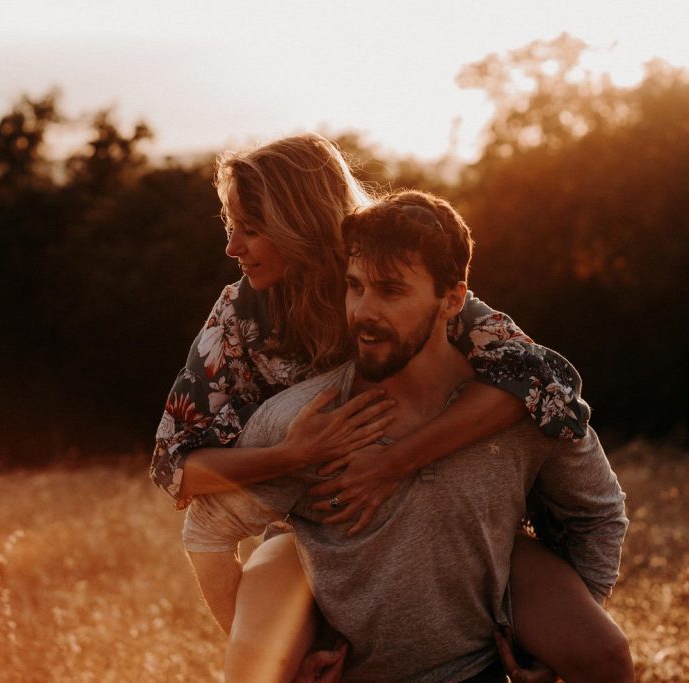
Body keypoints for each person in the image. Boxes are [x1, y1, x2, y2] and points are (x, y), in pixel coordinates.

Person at [150, 133, 599, 673]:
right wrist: (291, 456)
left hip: (445, 518)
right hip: (319, 527)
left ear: (302, 221)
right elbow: (175, 464)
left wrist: (394, 461)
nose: (232, 247)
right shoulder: (241, 313)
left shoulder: (390, 266)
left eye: (251, 228)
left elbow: (538, 380)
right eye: (230, 226)